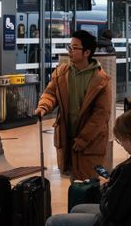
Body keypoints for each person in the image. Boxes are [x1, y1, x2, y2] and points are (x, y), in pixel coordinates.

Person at [35, 30, 112, 180]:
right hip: (67, 136)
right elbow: (51, 93)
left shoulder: (101, 80)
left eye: (74, 48)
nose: (69, 51)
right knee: (72, 180)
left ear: (86, 52)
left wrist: (84, 138)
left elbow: (101, 115)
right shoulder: (62, 72)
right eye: (69, 47)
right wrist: (43, 107)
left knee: (87, 182)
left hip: (89, 141)